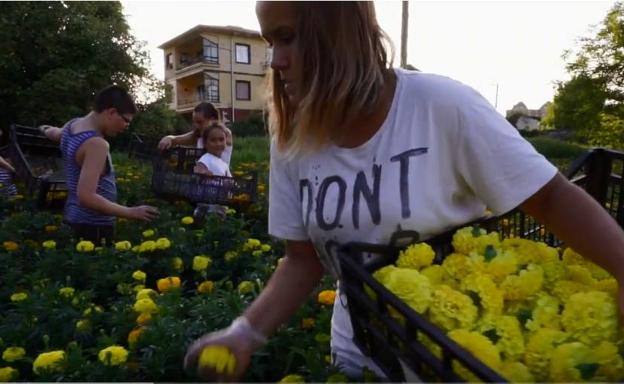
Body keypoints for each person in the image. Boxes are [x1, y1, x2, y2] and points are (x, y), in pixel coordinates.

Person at [184, 2, 624, 381]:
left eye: (288, 38)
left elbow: (548, 196)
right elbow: (302, 258)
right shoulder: (293, 140)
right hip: (359, 357)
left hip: (457, 363)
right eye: (270, 42)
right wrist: (245, 332)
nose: (275, 60)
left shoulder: (442, 106)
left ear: (339, 34)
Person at [39, 85, 159, 245]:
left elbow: (54, 133)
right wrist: (131, 212)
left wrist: (43, 128)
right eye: (126, 121)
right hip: (92, 228)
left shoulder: (72, 125)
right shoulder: (96, 144)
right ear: (111, 112)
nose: (126, 127)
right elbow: (86, 196)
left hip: (73, 218)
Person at [158, 101, 234, 165]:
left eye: (200, 122)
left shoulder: (224, 133)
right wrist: (169, 138)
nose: (196, 126)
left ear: (212, 120)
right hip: (202, 179)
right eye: (194, 122)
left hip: (219, 179)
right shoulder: (200, 135)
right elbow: (178, 139)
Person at [192, 122, 232, 220]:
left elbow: (230, 180)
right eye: (213, 140)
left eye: (221, 139)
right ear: (205, 143)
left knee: (217, 226)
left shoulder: (223, 163)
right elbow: (197, 169)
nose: (218, 143)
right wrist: (203, 172)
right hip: (208, 204)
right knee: (210, 224)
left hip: (220, 204)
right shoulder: (206, 158)